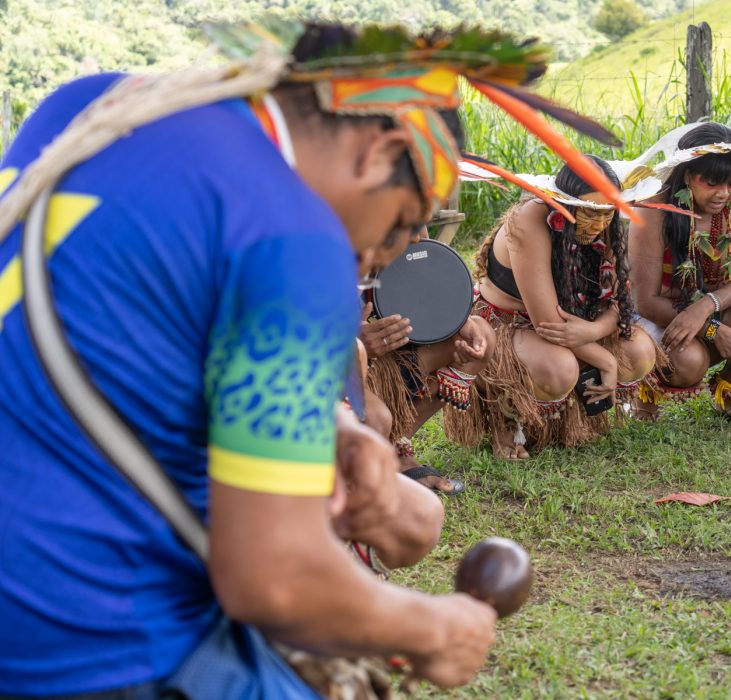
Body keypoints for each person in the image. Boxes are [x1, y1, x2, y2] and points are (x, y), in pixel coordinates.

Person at [0, 20, 625, 697]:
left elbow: (123, 328)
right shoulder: (297, 237)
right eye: (398, 226)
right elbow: (275, 578)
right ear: (379, 151)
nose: (380, 259)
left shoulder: (89, 108)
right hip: (86, 649)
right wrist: (435, 630)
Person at [444, 157, 658, 459]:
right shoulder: (527, 220)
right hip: (509, 329)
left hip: (575, 328)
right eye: (589, 213)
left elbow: (619, 301)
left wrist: (596, 329)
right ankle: (504, 415)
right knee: (559, 368)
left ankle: (561, 421)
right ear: (565, 205)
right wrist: (605, 361)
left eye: (607, 214)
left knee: (640, 350)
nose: (598, 225)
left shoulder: (603, 218)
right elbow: (548, 322)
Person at [629, 122, 731, 426]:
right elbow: (645, 302)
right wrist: (713, 329)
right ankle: (646, 393)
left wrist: (707, 306)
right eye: (712, 183)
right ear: (688, 174)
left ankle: (730, 387)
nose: (724, 194)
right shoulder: (652, 211)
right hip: (664, 313)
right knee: (687, 363)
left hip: (715, 306)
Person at [359, 268, 495, 495]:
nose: (416, 237)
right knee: (376, 418)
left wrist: (457, 322)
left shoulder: (408, 236)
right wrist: (352, 338)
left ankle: (398, 447)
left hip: (387, 351)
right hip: (334, 365)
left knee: (480, 337)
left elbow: (426, 276)